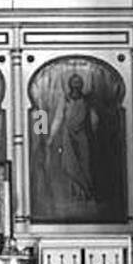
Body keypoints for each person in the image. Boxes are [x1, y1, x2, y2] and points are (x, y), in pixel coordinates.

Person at [49, 73, 100, 202]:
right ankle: (76, 194)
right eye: (74, 82)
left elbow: (94, 118)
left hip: (83, 134)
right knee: (70, 163)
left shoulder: (87, 100)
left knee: (85, 163)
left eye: (78, 82)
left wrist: (94, 132)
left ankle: (87, 192)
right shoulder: (65, 99)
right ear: (70, 84)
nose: (76, 85)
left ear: (82, 84)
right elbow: (58, 118)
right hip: (68, 135)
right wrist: (50, 136)